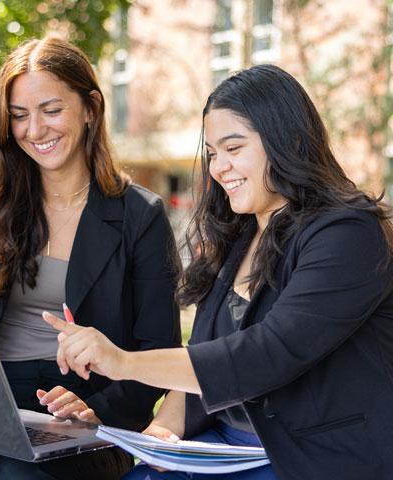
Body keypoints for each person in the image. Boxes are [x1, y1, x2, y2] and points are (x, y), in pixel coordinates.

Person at [42, 64, 393, 480]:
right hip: (221, 450)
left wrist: (123, 363)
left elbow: (265, 356)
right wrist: (161, 433)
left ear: (289, 141)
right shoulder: (241, 235)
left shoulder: (348, 232)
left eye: (234, 148)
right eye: (211, 153)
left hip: (309, 457)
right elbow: (205, 353)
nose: (218, 167)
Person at [0, 35, 181, 480]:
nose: (34, 131)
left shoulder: (140, 216)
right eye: (19, 116)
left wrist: (95, 409)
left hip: (82, 415)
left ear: (91, 108)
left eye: (51, 111)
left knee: (19, 477)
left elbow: (158, 352)